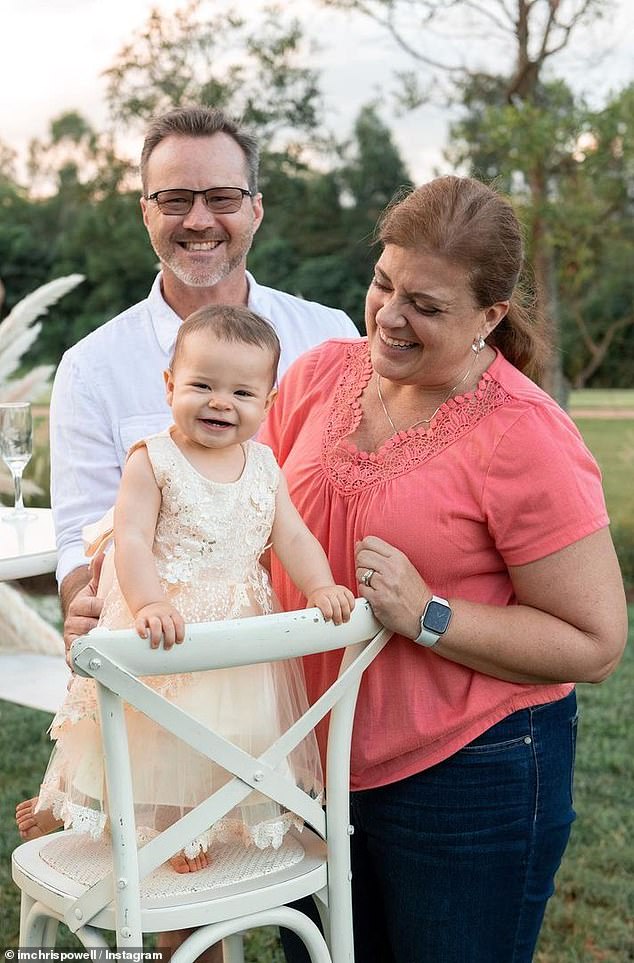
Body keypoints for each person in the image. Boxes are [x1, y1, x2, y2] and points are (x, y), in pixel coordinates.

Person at [259, 176, 628, 963]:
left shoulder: (524, 434)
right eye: (383, 284)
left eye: (426, 306)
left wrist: (431, 611)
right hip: (308, 767)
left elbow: (595, 641)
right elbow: (236, 512)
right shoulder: (318, 376)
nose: (389, 316)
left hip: (469, 777)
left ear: (490, 316)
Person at [16, 305, 355, 877]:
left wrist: (320, 583)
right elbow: (130, 538)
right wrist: (149, 601)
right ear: (171, 385)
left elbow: (293, 536)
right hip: (166, 614)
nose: (221, 402)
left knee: (226, 730)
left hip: (238, 624)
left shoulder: (265, 464)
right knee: (156, 732)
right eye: (202, 385)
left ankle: (204, 818)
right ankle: (110, 812)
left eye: (242, 393)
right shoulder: (154, 460)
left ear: (267, 405)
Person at [50, 105, 358, 654]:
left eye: (222, 199)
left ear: (256, 210)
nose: (198, 220)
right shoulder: (91, 367)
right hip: (167, 650)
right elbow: (81, 538)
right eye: (175, 200)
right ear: (146, 213)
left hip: (318, 643)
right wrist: (86, 606)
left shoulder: (330, 335)